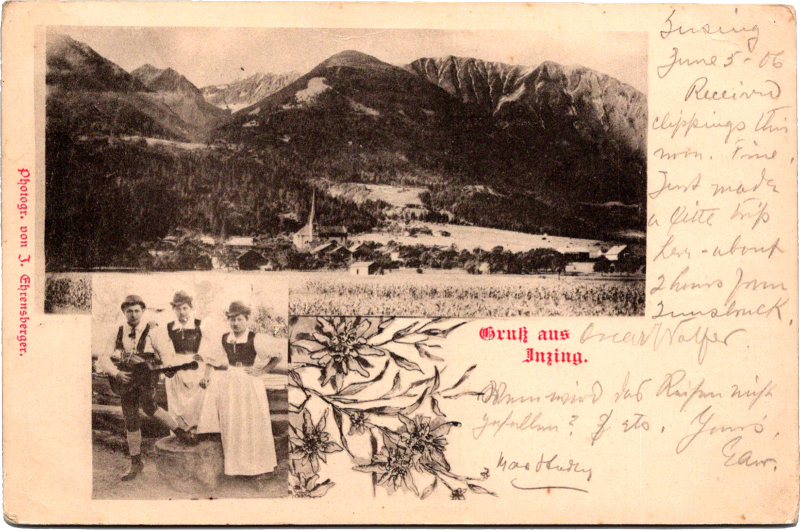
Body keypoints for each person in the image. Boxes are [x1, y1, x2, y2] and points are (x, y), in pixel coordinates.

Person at [98, 295, 189, 481]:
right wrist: (116, 374)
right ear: (124, 312)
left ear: (143, 311)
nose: (133, 315)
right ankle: (135, 463)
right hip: (125, 379)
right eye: (129, 311)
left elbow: (166, 353)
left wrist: (168, 367)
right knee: (130, 418)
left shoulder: (153, 331)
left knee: (150, 407)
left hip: (146, 377)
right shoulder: (117, 331)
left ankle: (181, 432)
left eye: (137, 311)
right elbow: (103, 358)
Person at [196, 301, 279, 478]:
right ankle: (236, 469)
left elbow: (276, 356)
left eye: (239, 319)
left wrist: (262, 371)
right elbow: (211, 358)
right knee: (233, 424)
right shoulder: (224, 338)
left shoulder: (255, 338)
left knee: (252, 424)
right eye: (232, 319)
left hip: (250, 382)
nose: (235, 323)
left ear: (247, 319)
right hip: (230, 381)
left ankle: (258, 470)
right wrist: (206, 376)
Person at [164, 291, 214, 444]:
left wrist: (206, 374)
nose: (181, 312)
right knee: (176, 402)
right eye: (178, 309)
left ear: (191, 308)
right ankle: (179, 433)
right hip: (177, 367)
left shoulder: (200, 325)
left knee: (197, 401)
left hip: (195, 366)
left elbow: (211, 351)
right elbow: (163, 350)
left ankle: (195, 432)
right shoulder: (169, 327)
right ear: (174, 310)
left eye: (185, 308)